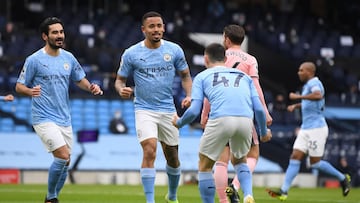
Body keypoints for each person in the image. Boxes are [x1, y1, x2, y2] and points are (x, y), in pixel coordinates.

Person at [15, 17, 103, 203]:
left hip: (64, 118)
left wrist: (91, 87)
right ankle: (52, 198)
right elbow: (19, 87)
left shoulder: (68, 58)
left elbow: (80, 79)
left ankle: (50, 197)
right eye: (55, 32)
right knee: (63, 157)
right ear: (45, 36)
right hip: (43, 117)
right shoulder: (34, 60)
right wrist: (30, 91)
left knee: (66, 162)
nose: (59, 35)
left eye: (61, 32)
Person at [172, 43, 272, 203]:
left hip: (220, 119)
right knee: (240, 160)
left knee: (205, 165)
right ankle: (248, 195)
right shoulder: (244, 77)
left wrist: (179, 122)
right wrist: (264, 131)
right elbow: (259, 109)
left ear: (206, 59)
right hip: (245, 120)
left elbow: (194, 110)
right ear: (225, 59)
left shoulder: (203, 76)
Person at [114, 11, 192, 203]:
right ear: (143, 30)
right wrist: (120, 89)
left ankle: (172, 195)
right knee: (150, 149)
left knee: (172, 157)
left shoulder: (174, 50)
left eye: (159, 26)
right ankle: (150, 201)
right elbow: (119, 80)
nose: (156, 29)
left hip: (168, 110)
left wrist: (189, 95)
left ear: (163, 28)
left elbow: (185, 76)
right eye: (152, 26)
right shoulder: (131, 53)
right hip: (144, 109)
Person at [200, 24, 272, 203]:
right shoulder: (250, 59)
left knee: (221, 161)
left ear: (226, 38)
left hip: (219, 112)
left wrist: (204, 114)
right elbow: (256, 87)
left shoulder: (219, 58)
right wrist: (265, 111)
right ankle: (237, 187)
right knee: (251, 154)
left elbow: (211, 89)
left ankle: (224, 201)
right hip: (243, 111)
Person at [266, 62, 351, 200]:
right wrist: (296, 106)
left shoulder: (314, 83)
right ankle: (284, 191)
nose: (299, 72)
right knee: (295, 157)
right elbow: (311, 102)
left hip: (316, 129)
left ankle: (342, 178)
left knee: (315, 163)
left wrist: (298, 97)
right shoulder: (308, 85)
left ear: (309, 72)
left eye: (301, 70)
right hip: (305, 128)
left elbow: (318, 96)